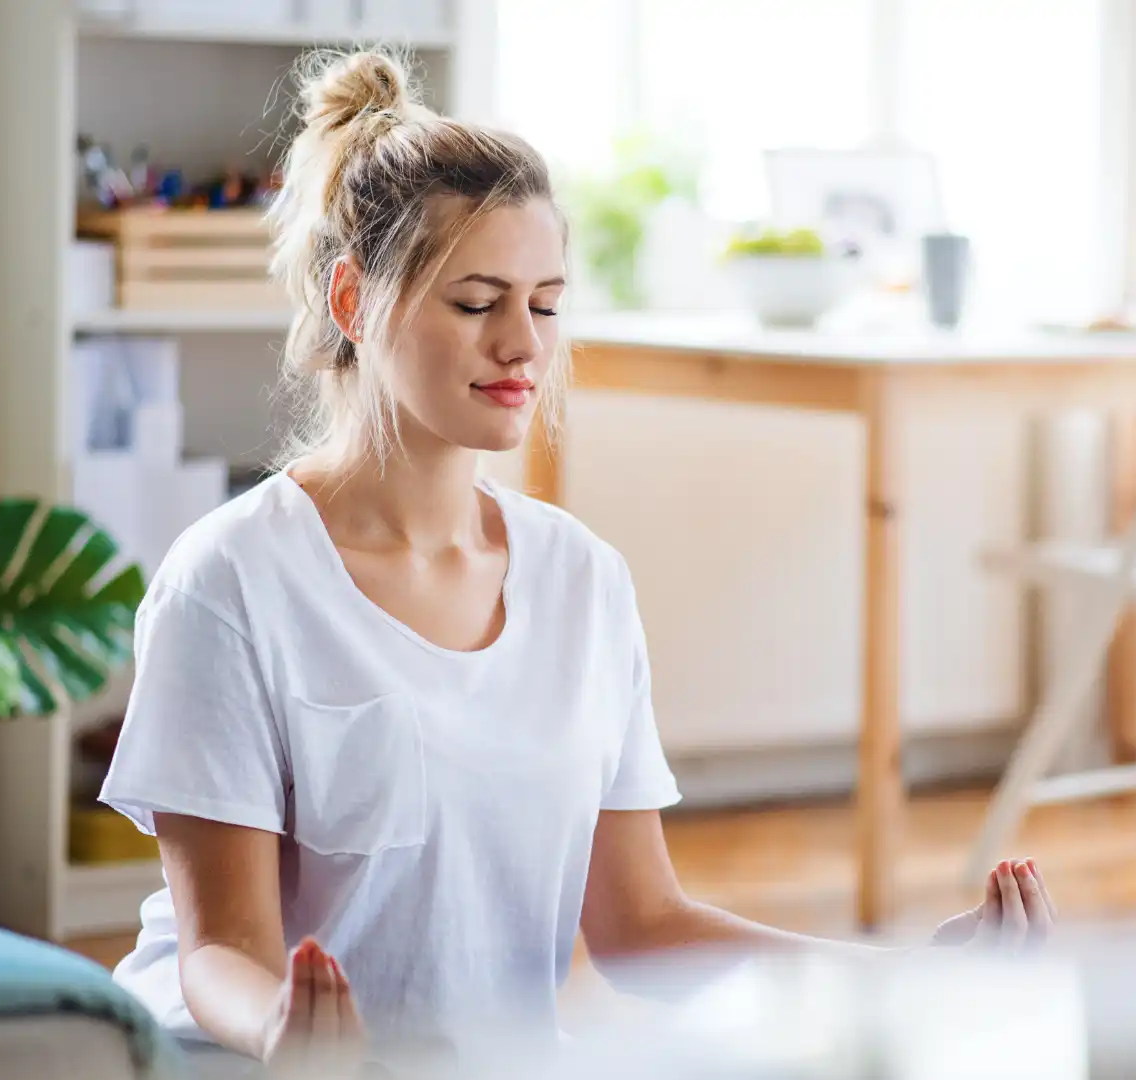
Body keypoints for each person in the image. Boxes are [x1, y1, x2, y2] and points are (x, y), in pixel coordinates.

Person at [97, 47, 1055, 1073]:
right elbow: (221, 956)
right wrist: (285, 1025)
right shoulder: (230, 582)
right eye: (477, 303)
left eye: (544, 303)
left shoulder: (582, 581)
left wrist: (901, 973)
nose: (523, 345)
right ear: (350, 302)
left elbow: (642, 926)